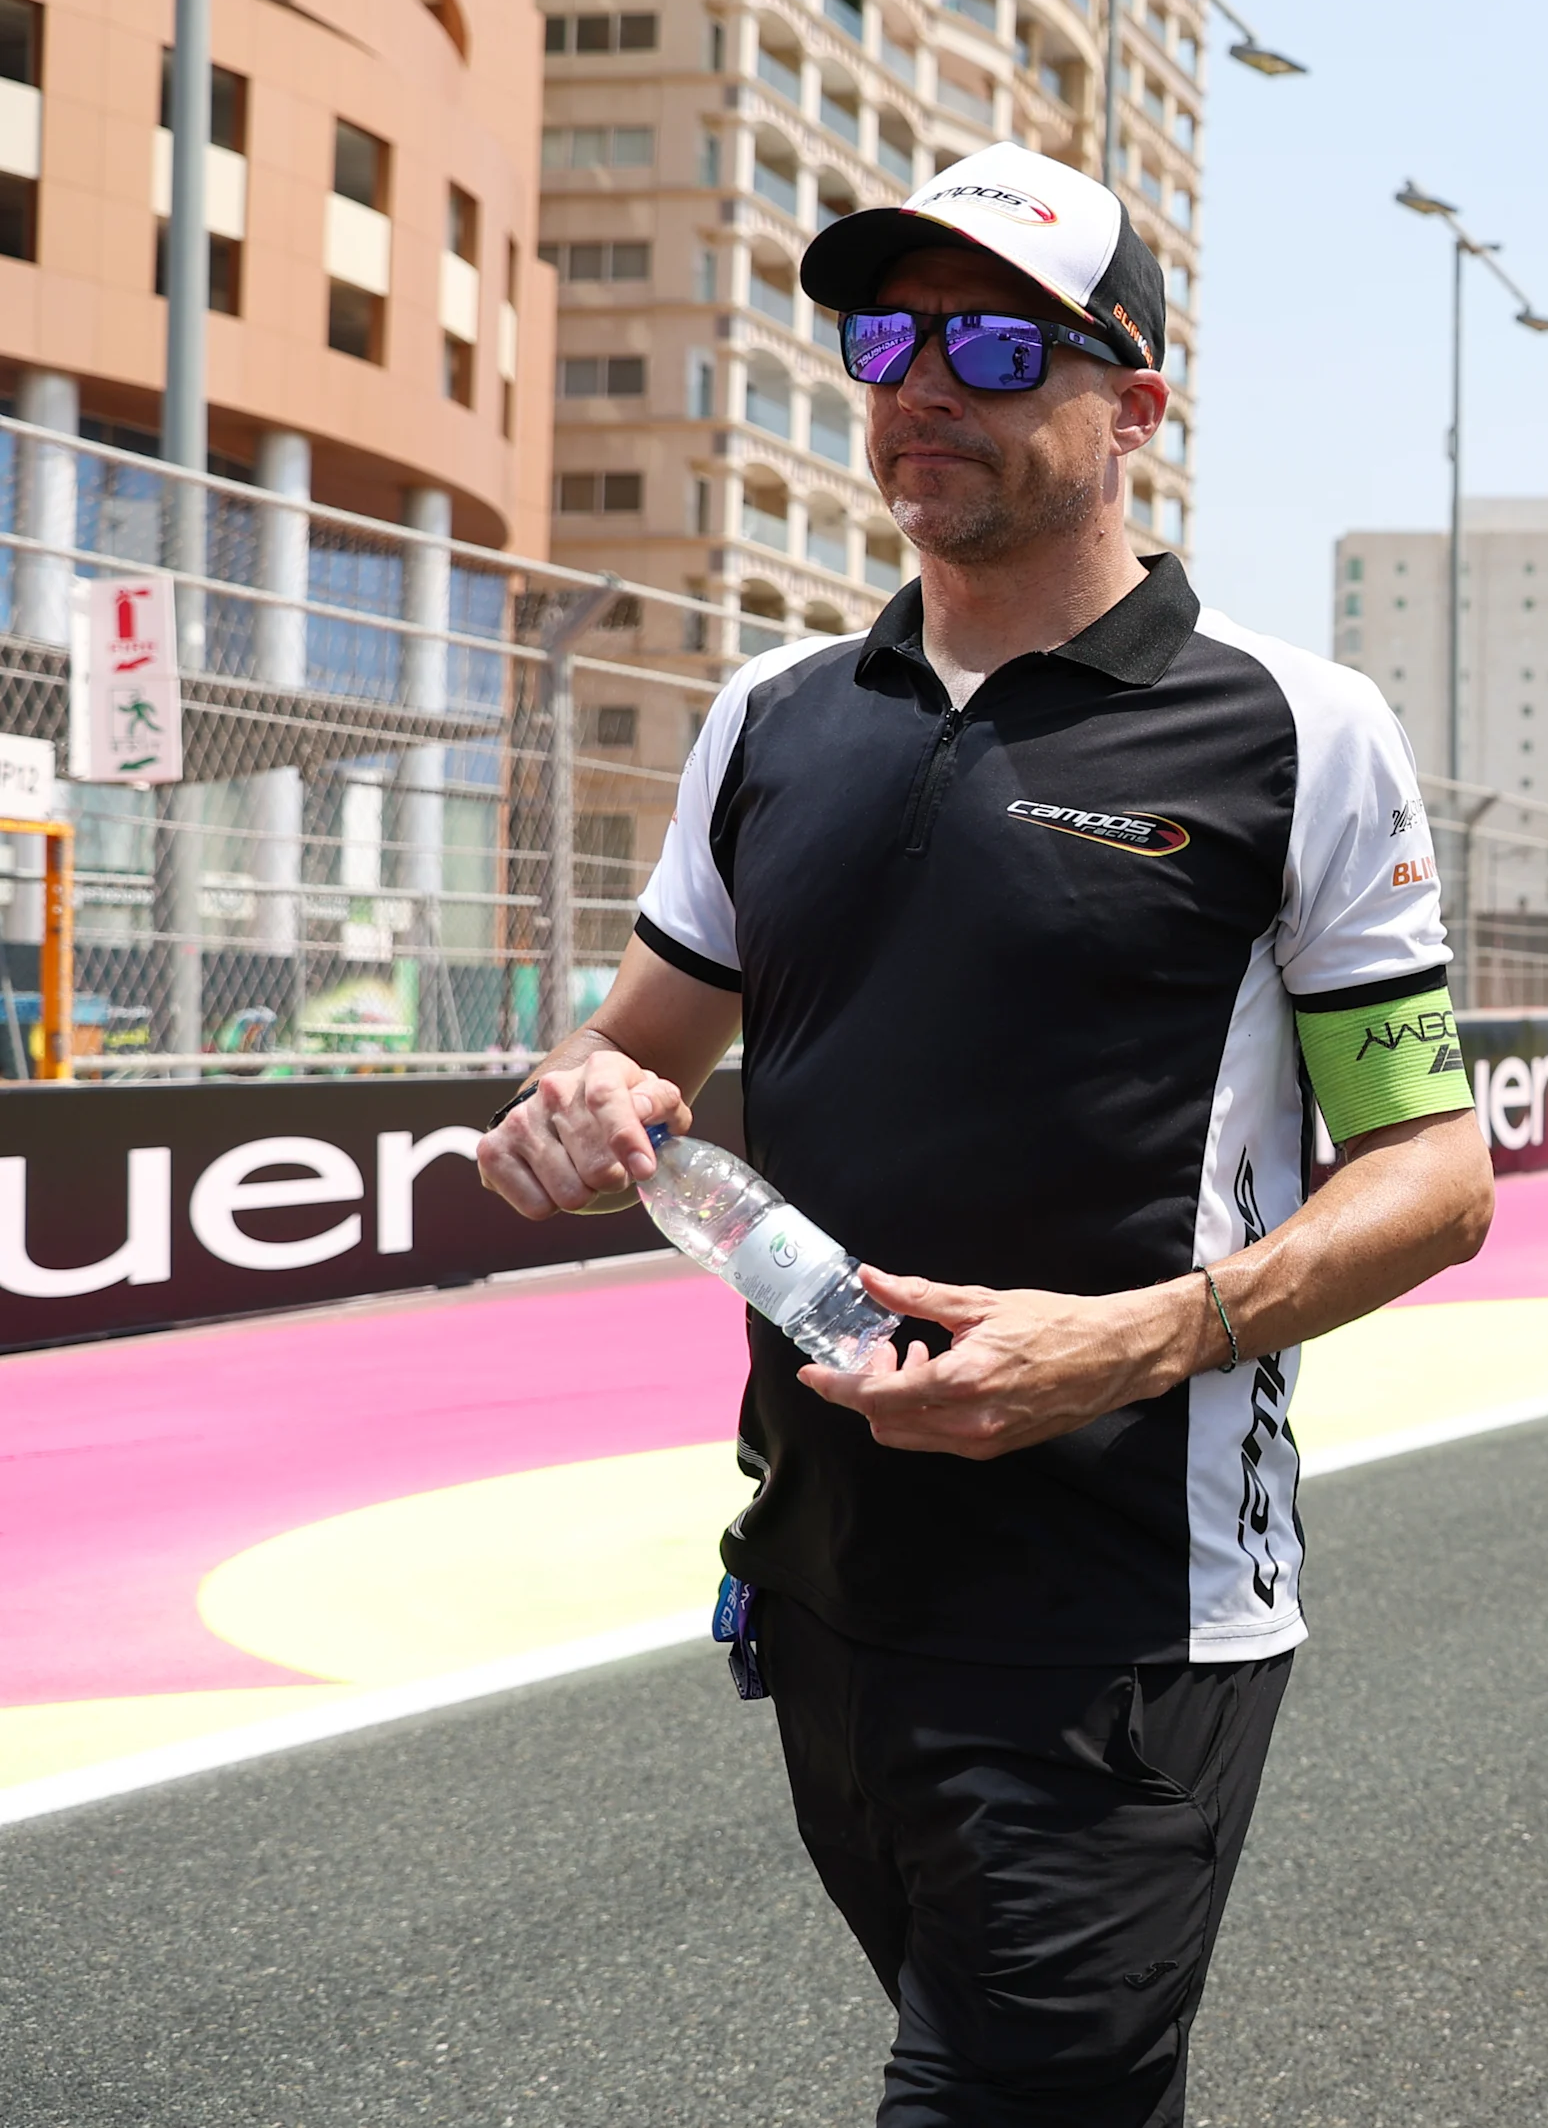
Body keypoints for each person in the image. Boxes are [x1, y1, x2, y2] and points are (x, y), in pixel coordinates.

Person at [472, 144, 1494, 2127]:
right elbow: (639, 1045)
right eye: (887, 332)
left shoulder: (1292, 726)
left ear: (1134, 403)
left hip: (1132, 1592)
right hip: (825, 1562)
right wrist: (580, 1097)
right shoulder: (771, 715)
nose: (922, 381)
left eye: (999, 340)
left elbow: (1435, 1175)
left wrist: (1129, 1338)